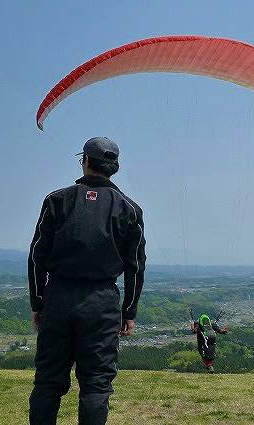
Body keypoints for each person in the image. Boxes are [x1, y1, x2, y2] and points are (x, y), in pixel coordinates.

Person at [28, 137, 146, 425]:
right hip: (102, 302)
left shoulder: (56, 200)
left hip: (58, 297)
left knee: (47, 382)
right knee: (96, 384)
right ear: (114, 167)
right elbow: (135, 265)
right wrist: (128, 311)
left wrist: (38, 302)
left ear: (86, 161)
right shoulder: (130, 209)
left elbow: (36, 256)